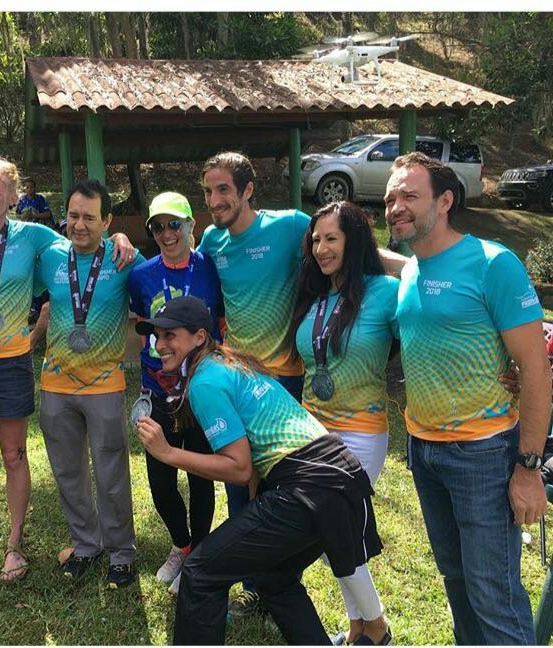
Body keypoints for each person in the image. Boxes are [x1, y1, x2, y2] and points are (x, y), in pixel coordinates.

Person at [0, 159, 133, 602]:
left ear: (13, 198)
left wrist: (122, 237)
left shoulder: (68, 246)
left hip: (53, 373)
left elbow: (97, 252)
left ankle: (73, 551)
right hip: (5, 372)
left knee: (58, 462)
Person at [197, 150, 406, 615]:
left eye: (223, 189)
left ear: (248, 190)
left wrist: (414, 267)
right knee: (239, 482)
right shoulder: (211, 240)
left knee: (283, 496)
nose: (214, 200)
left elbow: (347, 244)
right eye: (208, 191)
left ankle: (278, 585)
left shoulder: (291, 226)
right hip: (238, 383)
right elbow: (184, 266)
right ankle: (255, 585)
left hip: (288, 385)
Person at [136, 295, 382, 645]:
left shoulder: (205, 381)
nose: (159, 345)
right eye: (157, 336)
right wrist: (255, 507)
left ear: (200, 337)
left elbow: (238, 467)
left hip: (307, 486)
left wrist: (168, 453)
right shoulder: (232, 363)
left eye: (170, 335)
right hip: (339, 476)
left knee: (200, 571)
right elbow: (253, 459)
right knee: (273, 576)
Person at [385, 152, 551, 645]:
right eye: (391, 198)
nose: (395, 207)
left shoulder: (492, 264)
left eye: (409, 196)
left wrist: (528, 469)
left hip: (483, 454)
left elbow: (536, 371)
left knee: (493, 594)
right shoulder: (412, 268)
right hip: (422, 448)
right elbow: (391, 263)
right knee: (456, 581)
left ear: (445, 201)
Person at [289, 201, 398, 645]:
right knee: (338, 531)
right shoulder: (315, 295)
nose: (321, 248)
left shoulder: (386, 291)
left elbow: (428, 314)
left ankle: (376, 626)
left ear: (354, 242)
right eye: (316, 239)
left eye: (332, 238)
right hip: (312, 432)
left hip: (361, 432)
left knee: (332, 530)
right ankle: (360, 629)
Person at [29, 179, 143, 588]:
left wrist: (124, 239)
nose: (79, 225)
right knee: (67, 472)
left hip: (104, 384)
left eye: (89, 218)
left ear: (107, 221)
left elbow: (158, 285)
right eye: (73, 216)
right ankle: (85, 545)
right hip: (56, 384)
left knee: (111, 474)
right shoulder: (50, 257)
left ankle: (122, 553)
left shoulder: (124, 258)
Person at [127, 192, 223, 595]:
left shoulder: (210, 269)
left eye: (174, 225)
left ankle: (198, 551)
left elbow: (219, 323)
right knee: (160, 478)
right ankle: (180, 545)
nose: (166, 233)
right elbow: (141, 322)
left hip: (200, 390)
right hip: (157, 388)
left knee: (200, 475)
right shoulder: (141, 275)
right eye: (157, 227)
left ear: (190, 226)